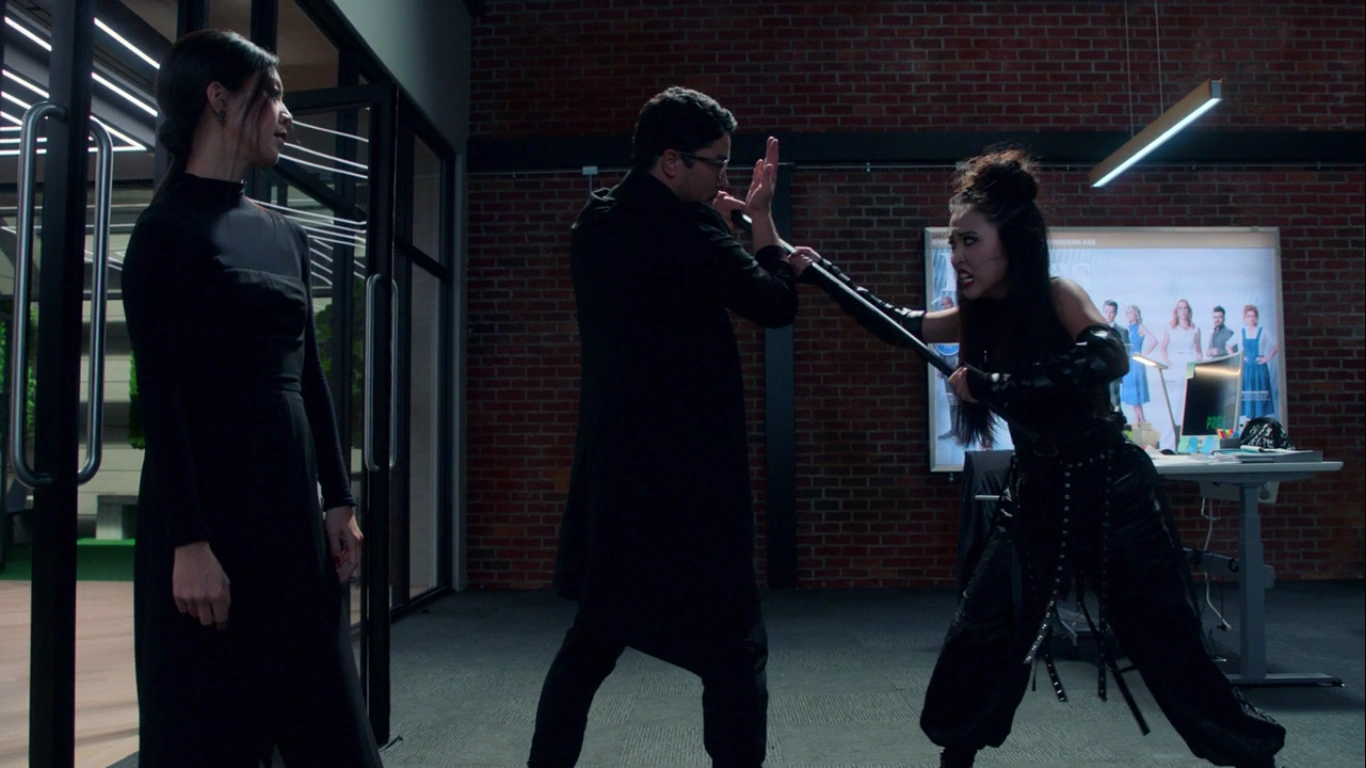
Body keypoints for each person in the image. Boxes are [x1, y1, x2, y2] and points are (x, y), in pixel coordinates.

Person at [800, 150, 1285, 768]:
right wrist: (815, 271)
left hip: (1111, 493)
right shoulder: (979, 316)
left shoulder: (1058, 294)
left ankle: (1251, 752)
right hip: (1037, 493)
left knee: (1166, 638)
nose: (958, 256)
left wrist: (996, 386)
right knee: (983, 627)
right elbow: (901, 323)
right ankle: (957, 750)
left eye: (970, 241)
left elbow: (1108, 356)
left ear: (1012, 244)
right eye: (953, 243)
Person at [526, 86, 815, 768]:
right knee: (737, 650)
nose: (724, 178)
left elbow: (669, 288)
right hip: (692, 485)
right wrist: (761, 224)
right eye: (716, 163)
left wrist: (715, 226)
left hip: (620, 480)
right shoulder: (693, 233)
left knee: (593, 642)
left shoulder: (594, 223)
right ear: (670, 162)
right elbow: (775, 304)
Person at [122, 30, 382, 767]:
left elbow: (310, 377)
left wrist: (339, 499)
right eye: (273, 97)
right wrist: (189, 544)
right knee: (211, 737)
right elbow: (162, 402)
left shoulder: (284, 235)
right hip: (208, 524)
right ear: (218, 99)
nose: (287, 116)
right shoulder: (163, 234)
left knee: (335, 736)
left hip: (291, 515)